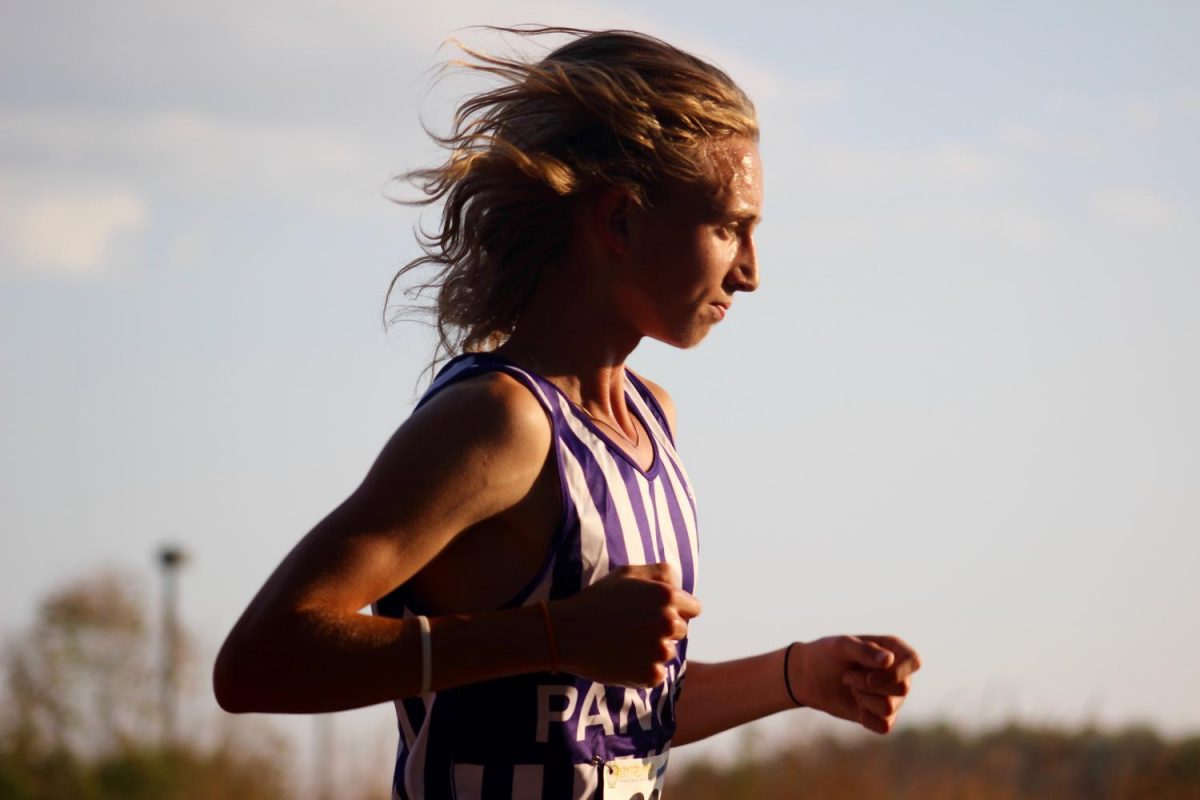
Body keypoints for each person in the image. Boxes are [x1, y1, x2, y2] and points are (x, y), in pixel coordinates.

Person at [214, 25, 921, 799]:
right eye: (728, 227)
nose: (750, 273)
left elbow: (615, 719)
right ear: (618, 222)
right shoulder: (498, 420)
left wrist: (797, 674)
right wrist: (556, 635)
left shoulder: (654, 419)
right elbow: (259, 662)